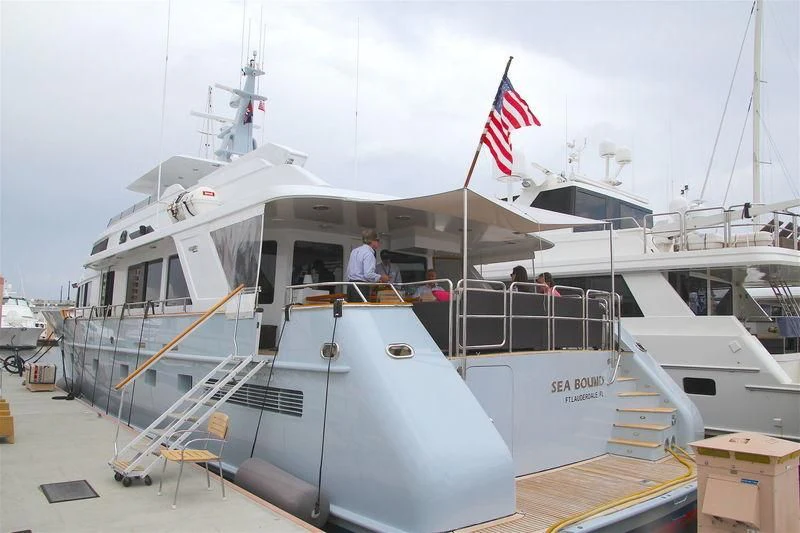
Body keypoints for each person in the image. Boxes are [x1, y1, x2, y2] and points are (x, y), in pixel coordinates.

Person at [345, 229, 389, 301]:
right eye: (378, 240)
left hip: (350, 286)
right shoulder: (369, 254)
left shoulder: (354, 251)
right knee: (361, 311)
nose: (379, 243)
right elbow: (368, 274)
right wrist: (381, 277)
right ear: (372, 241)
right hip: (361, 287)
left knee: (352, 310)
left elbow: (348, 271)